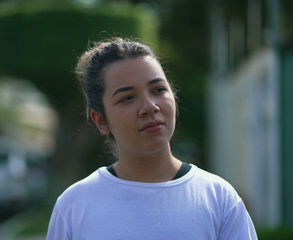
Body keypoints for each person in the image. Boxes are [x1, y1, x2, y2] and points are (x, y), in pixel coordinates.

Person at [46, 37, 257, 240]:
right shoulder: (74, 205)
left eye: (158, 90)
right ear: (100, 120)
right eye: (127, 98)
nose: (149, 107)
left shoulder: (219, 198)